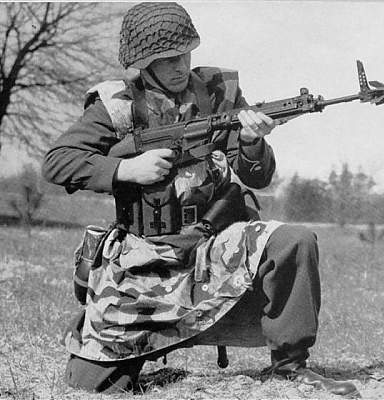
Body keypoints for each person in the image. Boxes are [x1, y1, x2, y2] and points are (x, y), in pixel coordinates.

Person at [42, 2, 360, 398]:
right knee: (91, 385)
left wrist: (250, 143)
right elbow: (57, 162)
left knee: (294, 239)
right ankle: (104, 327)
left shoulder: (219, 94)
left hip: (211, 247)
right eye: (166, 59)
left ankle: (290, 365)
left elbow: (257, 177)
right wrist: (126, 170)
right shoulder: (116, 107)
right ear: (143, 64)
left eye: (184, 55)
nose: (179, 66)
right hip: (143, 259)